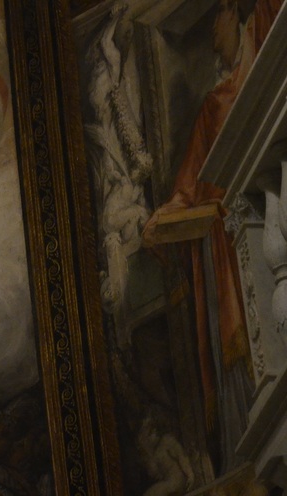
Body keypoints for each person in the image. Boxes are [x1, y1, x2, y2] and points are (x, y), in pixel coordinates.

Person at [141, 0, 281, 436]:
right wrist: (163, 217)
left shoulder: (265, 52)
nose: (210, 31)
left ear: (234, 12)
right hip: (232, 246)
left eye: (217, 16)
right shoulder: (212, 105)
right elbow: (188, 188)